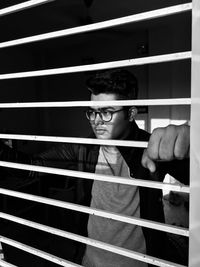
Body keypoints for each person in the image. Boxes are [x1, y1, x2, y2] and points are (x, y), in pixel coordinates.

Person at [0, 69, 190, 266]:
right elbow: (32, 166)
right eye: (92, 112)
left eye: (106, 112)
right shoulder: (85, 148)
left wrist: (193, 144)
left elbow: (192, 177)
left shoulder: (151, 148)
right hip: (89, 260)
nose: (96, 121)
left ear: (131, 113)